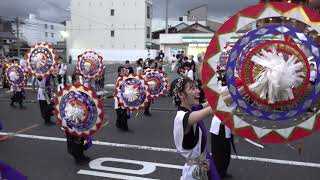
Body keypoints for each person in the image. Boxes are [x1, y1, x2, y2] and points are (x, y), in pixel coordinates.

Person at [173, 77, 220, 180]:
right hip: (193, 174)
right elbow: (212, 108)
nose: (198, 91)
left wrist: (245, 89)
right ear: (181, 95)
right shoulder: (183, 117)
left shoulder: (192, 109)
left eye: (197, 88)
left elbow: (216, 101)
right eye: (192, 88)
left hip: (199, 168)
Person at [114, 66, 130, 131]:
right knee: (123, 114)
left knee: (121, 114)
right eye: (123, 71)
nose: (125, 72)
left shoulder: (123, 78)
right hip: (120, 100)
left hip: (121, 100)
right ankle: (124, 127)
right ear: (119, 72)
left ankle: (119, 124)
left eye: (125, 70)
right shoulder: (120, 79)